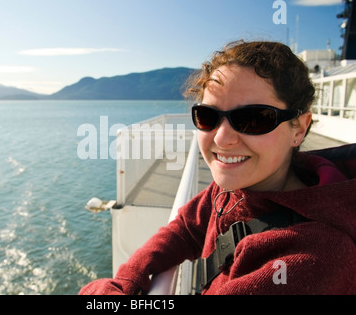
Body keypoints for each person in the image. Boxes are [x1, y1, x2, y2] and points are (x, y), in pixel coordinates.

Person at [79, 40, 356, 295]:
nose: (222, 138)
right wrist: (128, 278)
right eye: (208, 116)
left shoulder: (315, 257)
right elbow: (186, 228)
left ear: (300, 128)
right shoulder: (234, 188)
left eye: (253, 119)